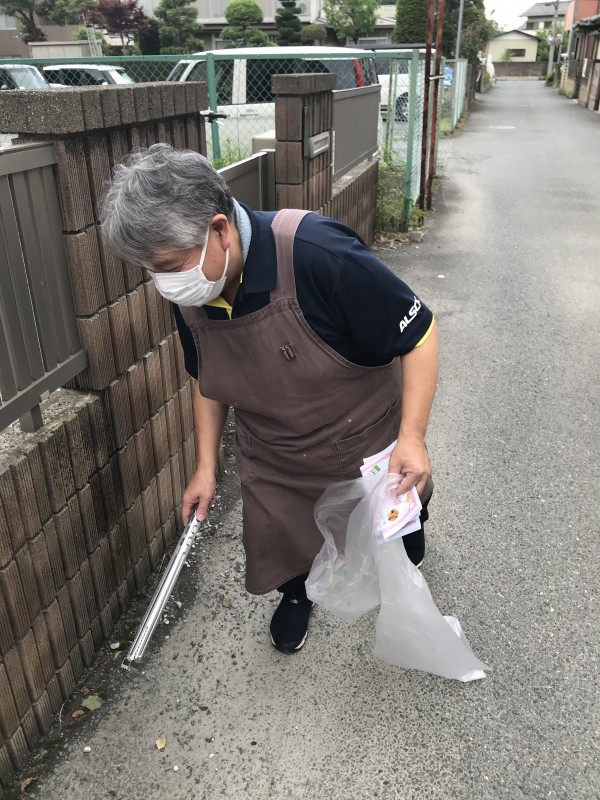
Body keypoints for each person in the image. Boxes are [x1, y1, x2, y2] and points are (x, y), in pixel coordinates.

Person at [101, 144, 438, 655]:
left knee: (396, 514)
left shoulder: (317, 253)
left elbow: (419, 335)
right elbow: (207, 379)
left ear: (220, 229)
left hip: (363, 435)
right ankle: (297, 594)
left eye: (169, 265)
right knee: (280, 535)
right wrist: (205, 467)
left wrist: (411, 437)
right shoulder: (193, 290)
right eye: (153, 270)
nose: (165, 282)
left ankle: (409, 537)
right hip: (274, 452)